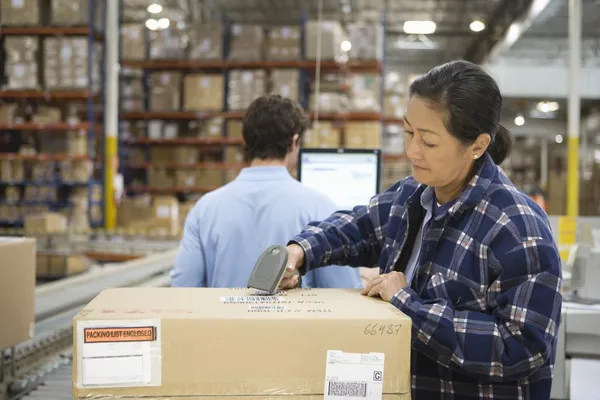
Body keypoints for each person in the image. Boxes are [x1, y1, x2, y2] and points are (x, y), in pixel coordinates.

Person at [279, 60, 562, 399]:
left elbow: (521, 346)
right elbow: (359, 227)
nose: (411, 151)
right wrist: (301, 250)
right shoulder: (413, 195)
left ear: (477, 145)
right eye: (409, 132)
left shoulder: (517, 230)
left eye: (428, 142)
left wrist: (408, 304)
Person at [171, 94, 362, 289]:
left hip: (224, 319)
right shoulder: (321, 207)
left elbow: (184, 288)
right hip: (295, 320)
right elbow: (344, 291)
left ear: (245, 140)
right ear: (294, 141)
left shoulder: (205, 208)